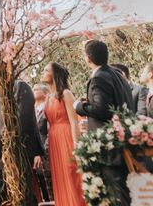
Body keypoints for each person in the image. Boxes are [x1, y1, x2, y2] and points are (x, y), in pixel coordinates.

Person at [74, 39, 134, 206]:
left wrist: (79, 106)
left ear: (88, 58)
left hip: (107, 145)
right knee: (124, 191)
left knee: (116, 193)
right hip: (122, 140)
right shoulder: (117, 75)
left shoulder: (99, 77)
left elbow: (101, 110)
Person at [0, 81, 43, 206]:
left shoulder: (20, 86)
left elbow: (26, 119)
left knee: (20, 194)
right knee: (0, 192)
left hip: (14, 150)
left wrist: (30, 151)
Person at [40, 62, 85, 206]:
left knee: (72, 175)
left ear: (54, 75)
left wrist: (77, 146)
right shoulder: (47, 97)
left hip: (67, 137)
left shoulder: (66, 93)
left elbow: (74, 122)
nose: (43, 72)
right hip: (54, 139)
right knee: (60, 177)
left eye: (46, 70)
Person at [32, 83, 51, 203]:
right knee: (39, 182)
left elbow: (49, 131)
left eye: (35, 89)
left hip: (45, 151)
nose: (32, 91)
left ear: (44, 93)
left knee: (48, 181)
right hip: (34, 153)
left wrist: (43, 151)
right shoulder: (32, 110)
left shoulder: (47, 109)